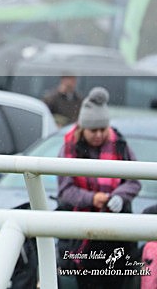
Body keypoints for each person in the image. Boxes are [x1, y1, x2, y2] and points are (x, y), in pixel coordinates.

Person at [57, 86, 141, 289]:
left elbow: (134, 181)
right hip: (81, 232)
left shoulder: (120, 145)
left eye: (103, 129)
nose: (99, 135)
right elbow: (65, 191)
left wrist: (119, 197)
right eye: (93, 130)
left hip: (117, 232)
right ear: (83, 128)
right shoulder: (69, 149)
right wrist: (92, 199)